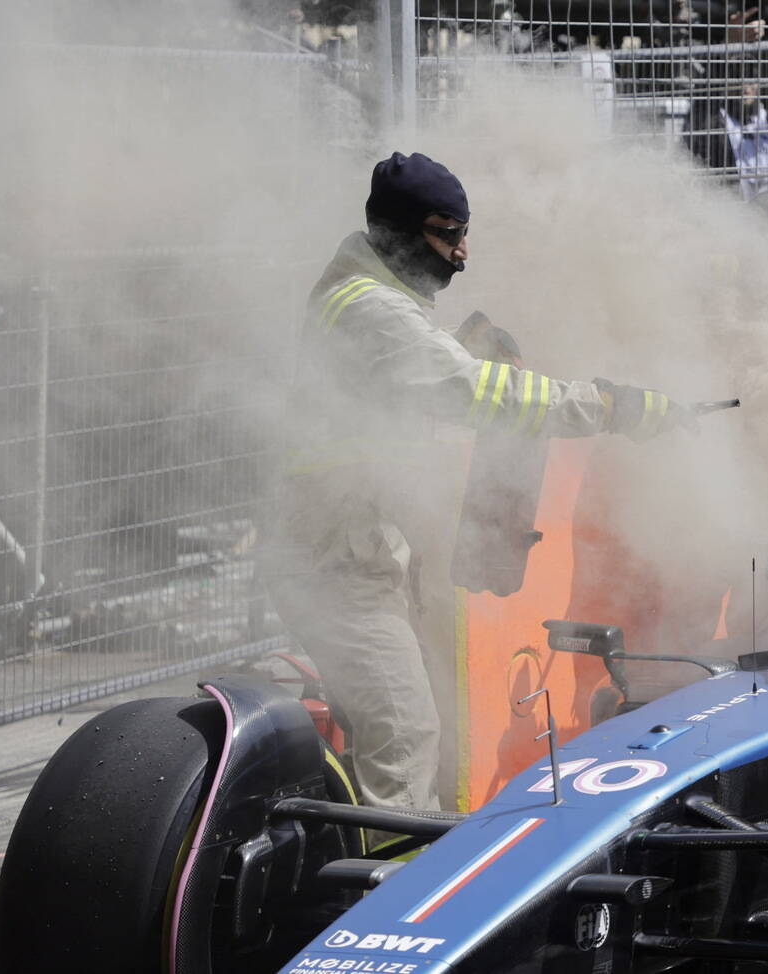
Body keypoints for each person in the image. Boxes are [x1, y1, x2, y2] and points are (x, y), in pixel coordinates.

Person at [262, 152, 691, 816]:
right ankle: (389, 901)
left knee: (399, 731)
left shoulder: (371, 289)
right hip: (337, 571)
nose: (462, 253)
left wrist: (458, 346)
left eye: (465, 231)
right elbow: (477, 393)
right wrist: (608, 407)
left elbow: (403, 387)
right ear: (400, 233)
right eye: (446, 232)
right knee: (405, 735)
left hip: (357, 557)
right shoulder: (375, 311)